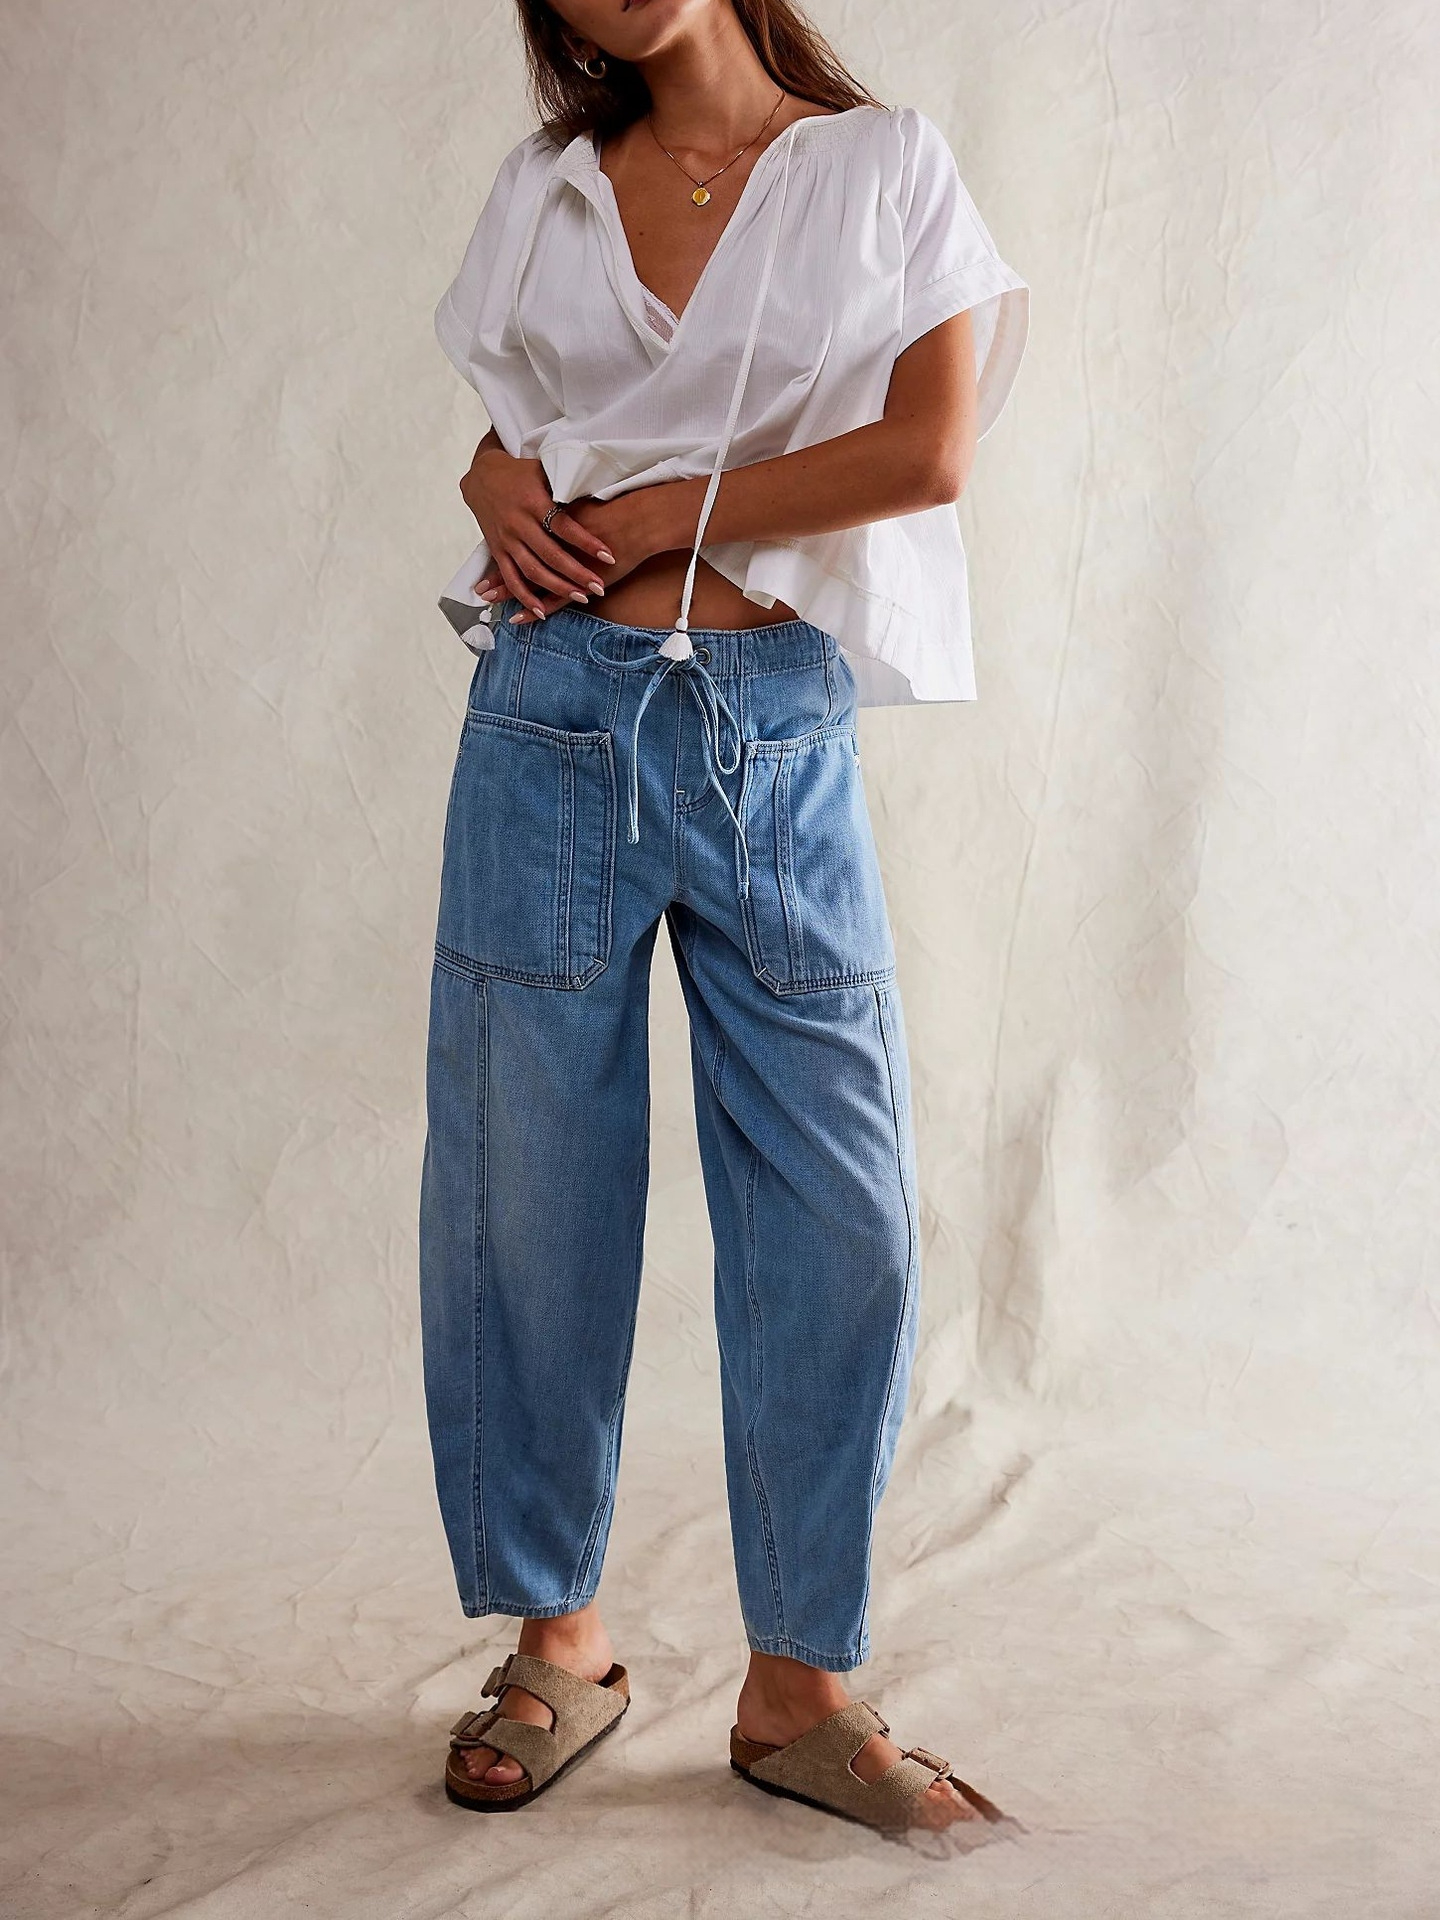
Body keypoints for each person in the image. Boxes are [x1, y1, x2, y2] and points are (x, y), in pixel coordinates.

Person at [420, 0, 1028, 1835]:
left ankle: (798, 1684)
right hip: (548, 714)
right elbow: (512, 442)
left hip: (774, 723)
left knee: (840, 1208)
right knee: (530, 1193)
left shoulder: (882, 165)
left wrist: (660, 518)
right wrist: (498, 487)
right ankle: (559, 1644)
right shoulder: (550, 187)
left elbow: (928, 451)